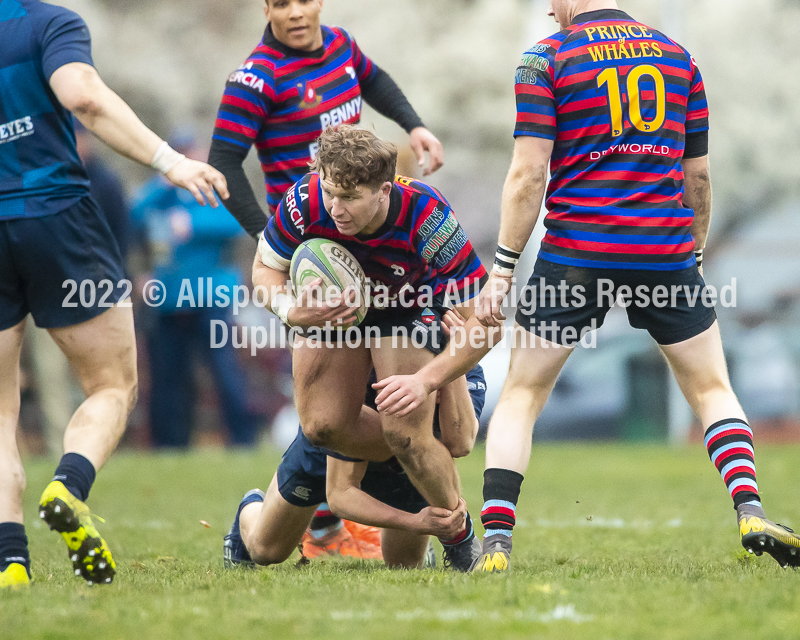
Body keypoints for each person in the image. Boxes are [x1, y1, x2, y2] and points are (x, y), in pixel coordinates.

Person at [373, 0, 800, 572]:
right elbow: (697, 175)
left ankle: (496, 545)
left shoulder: (545, 59)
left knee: (523, 396)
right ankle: (749, 509)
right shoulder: (679, 58)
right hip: (663, 250)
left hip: (577, 253)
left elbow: (529, 175)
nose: (549, 11)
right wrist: (692, 256)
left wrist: (501, 270)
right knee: (711, 389)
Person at [0, 0, 228, 589]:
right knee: (112, 385)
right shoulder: (47, 24)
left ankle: (10, 563)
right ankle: (69, 483)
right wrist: (169, 161)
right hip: (59, 220)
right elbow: (84, 96)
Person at [253, 125, 487, 569]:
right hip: (334, 315)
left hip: (403, 315)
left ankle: (457, 535)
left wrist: (426, 381)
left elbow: (485, 325)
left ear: (383, 190)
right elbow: (264, 271)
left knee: (405, 433)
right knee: (322, 427)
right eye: (329, 192)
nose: (335, 209)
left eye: (349, 198)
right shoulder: (304, 202)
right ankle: (408, 458)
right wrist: (290, 311)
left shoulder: (428, 216)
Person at [208, 0, 444, 239]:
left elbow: (372, 80)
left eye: (304, 1)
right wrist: (263, 233)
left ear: (319, 2)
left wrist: (414, 125)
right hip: (308, 234)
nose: (296, 13)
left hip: (362, 220)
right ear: (267, 11)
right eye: (281, 4)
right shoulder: (254, 79)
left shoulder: (341, 43)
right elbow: (222, 161)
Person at [223, 364, 486, 569]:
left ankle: (362, 528)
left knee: (405, 565)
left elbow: (461, 444)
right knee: (266, 551)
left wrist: (449, 372)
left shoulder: (466, 370)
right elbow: (341, 493)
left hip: (406, 462)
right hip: (326, 456)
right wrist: (415, 523)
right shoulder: (371, 369)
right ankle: (251, 507)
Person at [131, 133, 258, 448]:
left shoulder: (211, 187)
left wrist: (192, 224)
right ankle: (169, 445)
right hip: (169, 299)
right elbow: (133, 215)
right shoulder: (161, 195)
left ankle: (242, 440)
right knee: (168, 377)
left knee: (225, 372)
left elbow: (233, 222)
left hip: (211, 297)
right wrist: (161, 183)